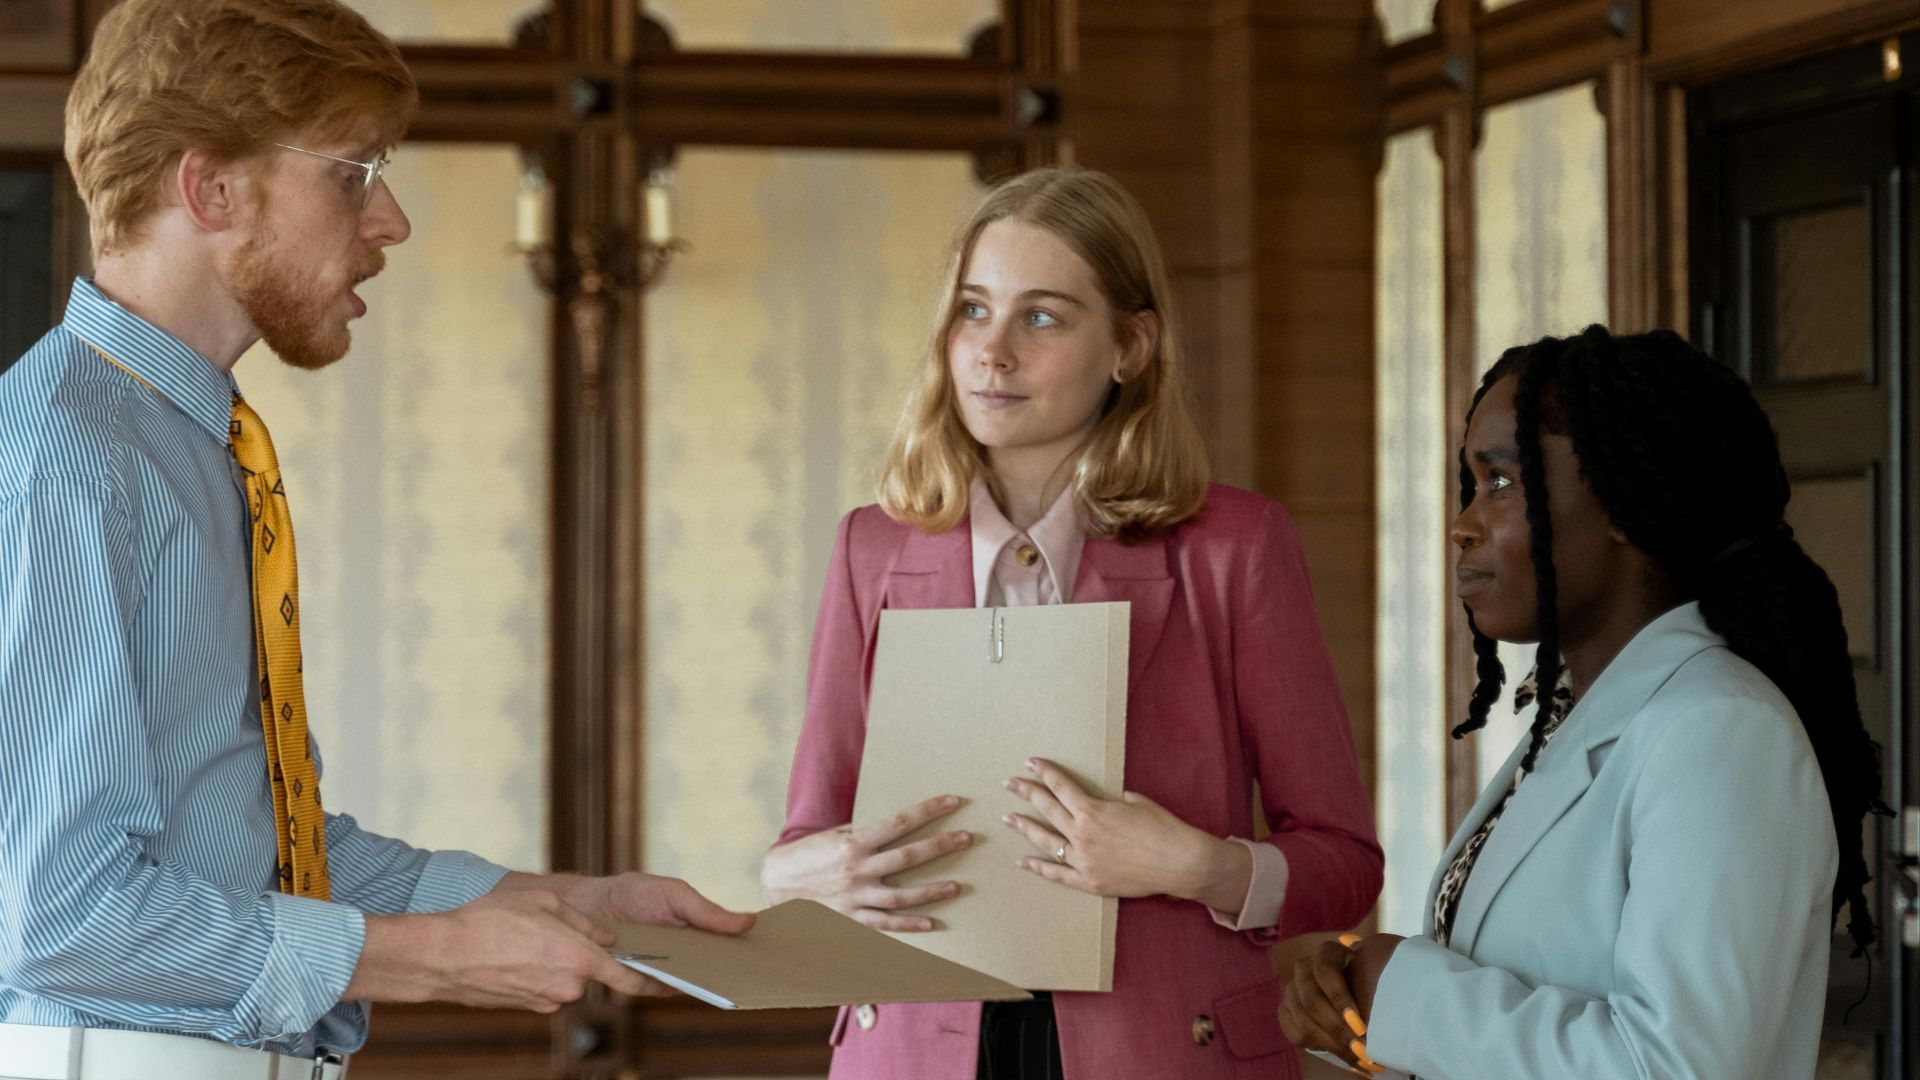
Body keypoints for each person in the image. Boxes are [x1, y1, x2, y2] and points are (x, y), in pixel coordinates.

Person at [0, 2, 751, 1077]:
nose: (389, 218)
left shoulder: (184, 444)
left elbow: (252, 847)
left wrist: (556, 904)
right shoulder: (67, 460)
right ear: (210, 188)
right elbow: (63, 911)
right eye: (352, 172)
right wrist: (438, 960)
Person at [760, 166, 1383, 1080]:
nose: (992, 351)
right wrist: (810, 878)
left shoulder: (1236, 547)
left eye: (1041, 317)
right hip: (913, 1050)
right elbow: (795, 850)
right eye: (973, 310)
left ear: (1132, 346)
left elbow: (1345, 868)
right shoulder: (872, 549)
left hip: (1168, 1051)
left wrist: (1199, 866)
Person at [1279, 326, 1885, 1079]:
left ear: (1624, 505)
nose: (1463, 525)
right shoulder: (1583, 716)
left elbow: (1673, 1068)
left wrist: (1402, 991)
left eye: (1501, 481)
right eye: (1471, 486)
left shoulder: (1721, 729)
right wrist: (1358, 1015)